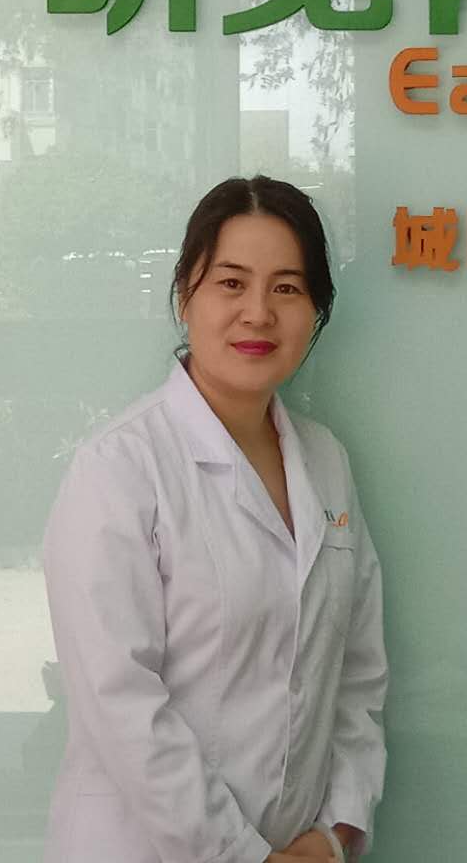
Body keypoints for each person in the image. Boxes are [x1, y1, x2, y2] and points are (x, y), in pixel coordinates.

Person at [42, 176, 387, 863]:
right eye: (231, 283)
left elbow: (355, 673)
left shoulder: (325, 460)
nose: (258, 313)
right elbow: (120, 700)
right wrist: (244, 856)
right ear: (185, 297)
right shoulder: (119, 467)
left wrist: (337, 832)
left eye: (287, 288)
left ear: (316, 311)